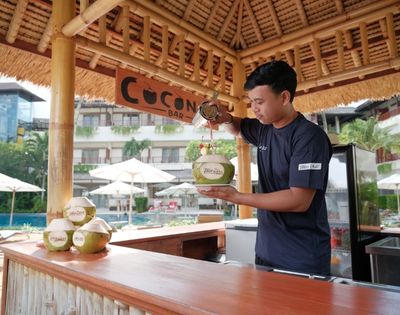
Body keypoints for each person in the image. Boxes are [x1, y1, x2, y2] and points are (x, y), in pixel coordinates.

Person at [199, 60, 333, 276]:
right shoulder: (265, 129)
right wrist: (222, 117)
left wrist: (237, 197)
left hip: (302, 257)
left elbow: (299, 200)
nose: (254, 109)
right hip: (265, 251)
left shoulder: (308, 137)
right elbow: (238, 126)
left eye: (259, 101)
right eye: (252, 101)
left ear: (284, 97)